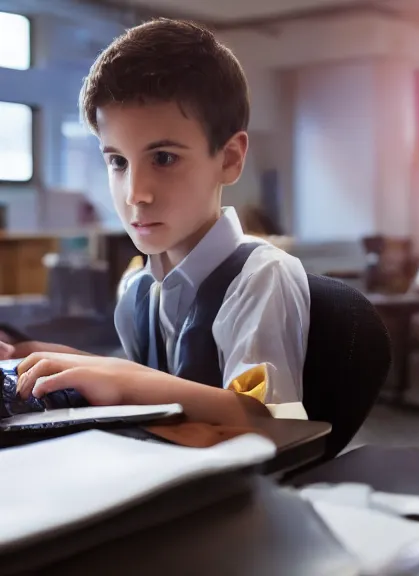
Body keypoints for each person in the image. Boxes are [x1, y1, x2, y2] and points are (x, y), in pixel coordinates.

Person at [2, 19, 310, 425]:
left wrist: (124, 378)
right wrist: (46, 359)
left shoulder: (261, 277)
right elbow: (159, 390)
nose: (135, 193)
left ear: (230, 158)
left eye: (164, 158)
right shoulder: (138, 288)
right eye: (118, 162)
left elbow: (276, 424)